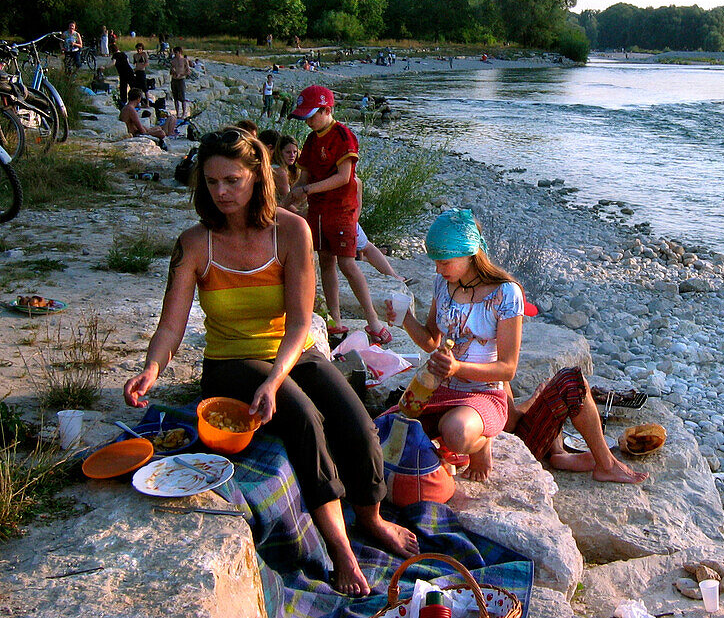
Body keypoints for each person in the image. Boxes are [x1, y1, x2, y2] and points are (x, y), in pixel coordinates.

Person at [123, 127, 418, 595]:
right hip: (230, 360)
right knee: (301, 416)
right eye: (212, 181)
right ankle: (340, 547)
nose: (221, 192)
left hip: (291, 351)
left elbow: (302, 321)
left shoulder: (291, 230)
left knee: (356, 420)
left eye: (232, 181)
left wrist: (277, 376)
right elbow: (170, 326)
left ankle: (371, 516)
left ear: (257, 177)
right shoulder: (195, 242)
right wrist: (152, 369)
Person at [387, 208, 522, 482]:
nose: (438, 269)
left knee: (456, 432)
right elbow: (430, 341)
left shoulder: (506, 293)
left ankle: (481, 445)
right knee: (387, 431)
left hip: (484, 394)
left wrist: (457, 367)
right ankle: (441, 442)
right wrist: (405, 319)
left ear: (470, 253)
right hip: (437, 387)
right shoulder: (443, 285)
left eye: (445, 262)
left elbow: (507, 370)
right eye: (436, 262)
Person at [285, 86, 389, 345]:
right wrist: (285, 202)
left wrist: (307, 190)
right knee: (325, 261)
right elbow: (304, 176)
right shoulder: (311, 140)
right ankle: (335, 320)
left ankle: (373, 321)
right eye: (305, 118)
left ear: (326, 110)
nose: (308, 122)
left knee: (347, 262)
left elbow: (344, 177)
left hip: (341, 208)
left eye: (312, 116)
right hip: (318, 209)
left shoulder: (343, 136)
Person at [505, 368, 647, 484]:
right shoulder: (489, 359)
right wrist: (534, 400)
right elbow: (508, 423)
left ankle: (559, 453)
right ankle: (607, 465)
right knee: (570, 383)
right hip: (506, 451)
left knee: (554, 387)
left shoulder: (487, 352)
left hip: (502, 437)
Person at [170, 46, 191, 118]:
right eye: (174, 52)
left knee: (182, 97)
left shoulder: (184, 60)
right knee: (175, 97)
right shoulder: (173, 61)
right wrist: (173, 71)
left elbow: (188, 71)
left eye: (176, 52)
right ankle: (177, 112)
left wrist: (181, 74)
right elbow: (170, 71)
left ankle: (184, 112)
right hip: (174, 79)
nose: (175, 54)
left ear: (180, 52)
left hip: (181, 79)